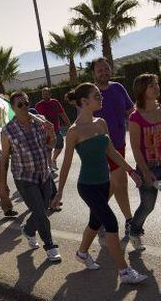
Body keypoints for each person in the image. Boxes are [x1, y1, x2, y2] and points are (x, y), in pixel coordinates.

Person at [51, 82, 147, 284]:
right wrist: (59, 192)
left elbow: (111, 151)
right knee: (110, 222)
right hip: (88, 186)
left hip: (105, 183)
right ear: (84, 101)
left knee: (95, 222)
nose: (101, 97)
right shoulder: (74, 132)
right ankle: (124, 272)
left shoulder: (101, 122)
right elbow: (66, 164)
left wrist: (130, 171)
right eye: (97, 96)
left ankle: (82, 253)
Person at [0, 92, 61, 262]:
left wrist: (52, 133)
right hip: (24, 177)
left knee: (43, 209)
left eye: (26, 103)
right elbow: (4, 159)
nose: (25, 107)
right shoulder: (7, 131)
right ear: (13, 108)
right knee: (41, 212)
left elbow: (50, 144)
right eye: (20, 104)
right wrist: (2, 184)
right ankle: (50, 246)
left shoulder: (40, 121)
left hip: (43, 173)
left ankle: (28, 229)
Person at [92, 57, 134, 235]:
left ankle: (97, 215)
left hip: (119, 144)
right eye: (100, 70)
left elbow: (130, 111)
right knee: (120, 183)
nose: (104, 72)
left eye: (106, 68)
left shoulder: (118, 88)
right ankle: (130, 221)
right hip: (99, 147)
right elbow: (83, 119)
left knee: (114, 183)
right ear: (94, 73)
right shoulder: (90, 92)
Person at [128, 74, 161, 251]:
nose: (156, 87)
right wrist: (145, 171)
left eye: (156, 83)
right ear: (142, 91)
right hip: (147, 167)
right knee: (148, 205)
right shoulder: (135, 117)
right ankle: (134, 231)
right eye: (151, 86)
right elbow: (135, 148)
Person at [35, 87, 71, 170]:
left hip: (56, 130)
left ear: (50, 94)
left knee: (60, 146)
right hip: (45, 132)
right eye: (43, 94)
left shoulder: (55, 102)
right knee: (48, 149)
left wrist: (69, 126)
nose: (45, 95)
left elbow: (63, 114)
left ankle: (53, 159)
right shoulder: (38, 105)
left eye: (46, 93)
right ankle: (50, 165)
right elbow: (35, 119)